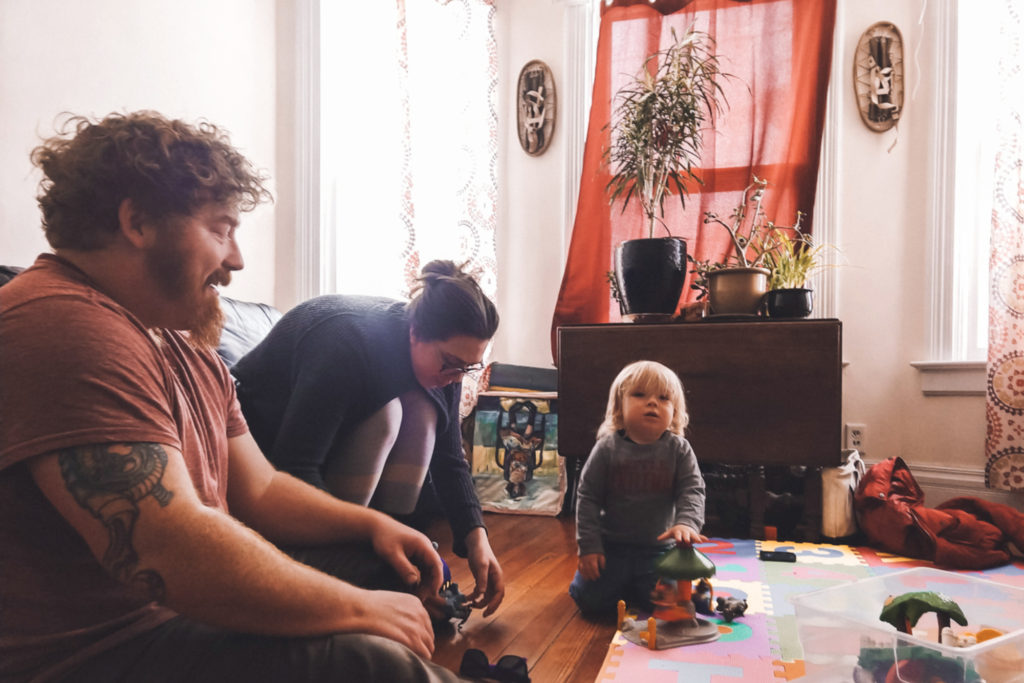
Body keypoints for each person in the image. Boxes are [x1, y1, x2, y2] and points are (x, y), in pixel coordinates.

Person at [0, 111, 471, 682]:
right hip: (96, 651)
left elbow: (261, 488)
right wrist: (356, 609)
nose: (237, 260)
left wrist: (370, 526)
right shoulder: (61, 323)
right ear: (137, 221)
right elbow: (168, 549)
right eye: (221, 229)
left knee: (391, 570)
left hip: (172, 616)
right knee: (375, 663)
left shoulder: (181, 344)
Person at [231, 260, 505, 617]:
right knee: (387, 414)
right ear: (415, 332)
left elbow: (450, 458)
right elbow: (296, 465)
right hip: (261, 450)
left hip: (327, 449)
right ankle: (338, 558)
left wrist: (477, 538)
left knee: (425, 412)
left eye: (468, 368)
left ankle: (391, 550)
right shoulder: (347, 344)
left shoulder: (447, 368)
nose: (457, 378)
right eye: (452, 363)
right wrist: (369, 540)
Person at [568, 360, 707, 618]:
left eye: (663, 398)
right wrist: (589, 546)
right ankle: (627, 587)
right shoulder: (607, 448)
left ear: (674, 412)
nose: (652, 402)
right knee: (590, 602)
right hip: (612, 548)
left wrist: (687, 523)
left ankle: (637, 588)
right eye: (640, 395)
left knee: (674, 602)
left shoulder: (679, 449)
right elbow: (587, 497)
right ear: (619, 407)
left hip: (659, 550)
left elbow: (692, 490)